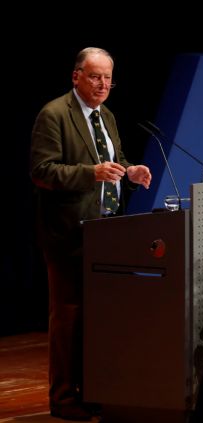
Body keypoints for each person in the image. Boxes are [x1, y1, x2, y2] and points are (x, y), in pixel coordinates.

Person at [30, 47, 152, 421]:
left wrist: (130, 172)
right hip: (69, 234)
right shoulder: (54, 114)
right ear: (76, 76)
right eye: (95, 77)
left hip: (107, 230)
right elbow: (42, 171)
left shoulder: (106, 115)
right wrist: (91, 174)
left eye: (108, 79)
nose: (102, 85)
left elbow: (114, 162)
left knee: (102, 317)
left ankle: (97, 389)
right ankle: (64, 399)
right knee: (69, 318)